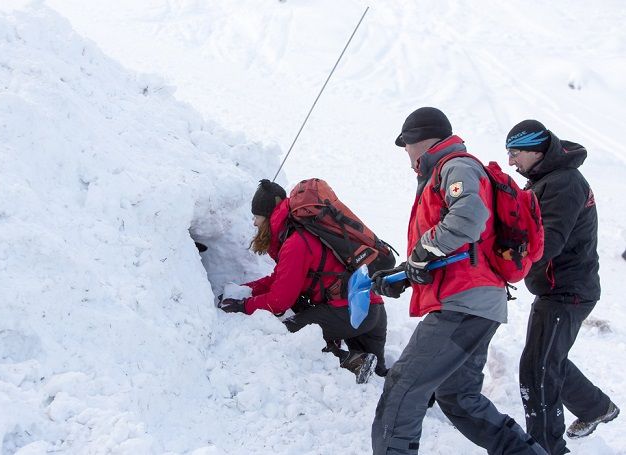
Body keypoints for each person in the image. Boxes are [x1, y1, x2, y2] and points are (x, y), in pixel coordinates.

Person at [370, 107, 545, 455]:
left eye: (406, 147)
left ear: (419, 141)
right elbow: (456, 250)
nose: (407, 156)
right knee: (457, 396)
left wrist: (422, 252)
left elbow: (469, 217)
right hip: (477, 302)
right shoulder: (446, 169)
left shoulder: (456, 165)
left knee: (404, 387)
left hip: (463, 304)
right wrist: (406, 275)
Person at [505, 119, 619, 454]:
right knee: (546, 358)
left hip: (567, 291)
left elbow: (547, 242)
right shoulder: (548, 180)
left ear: (536, 150)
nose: (511, 161)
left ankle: (546, 447)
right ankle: (596, 407)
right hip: (562, 288)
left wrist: (506, 258)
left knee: (537, 370)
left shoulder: (563, 183)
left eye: (515, 153)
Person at [218, 179, 388, 383]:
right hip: (370, 309)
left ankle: (351, 361)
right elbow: (280, 279)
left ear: (269, 216)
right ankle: (357, 361)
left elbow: (279, 301)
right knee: (381, 381)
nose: (254, 223)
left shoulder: (296, 243)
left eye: (257, 217)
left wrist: (244, 306)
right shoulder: (302, 233)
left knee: (290, 334)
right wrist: (245, 290)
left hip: (351, 314)